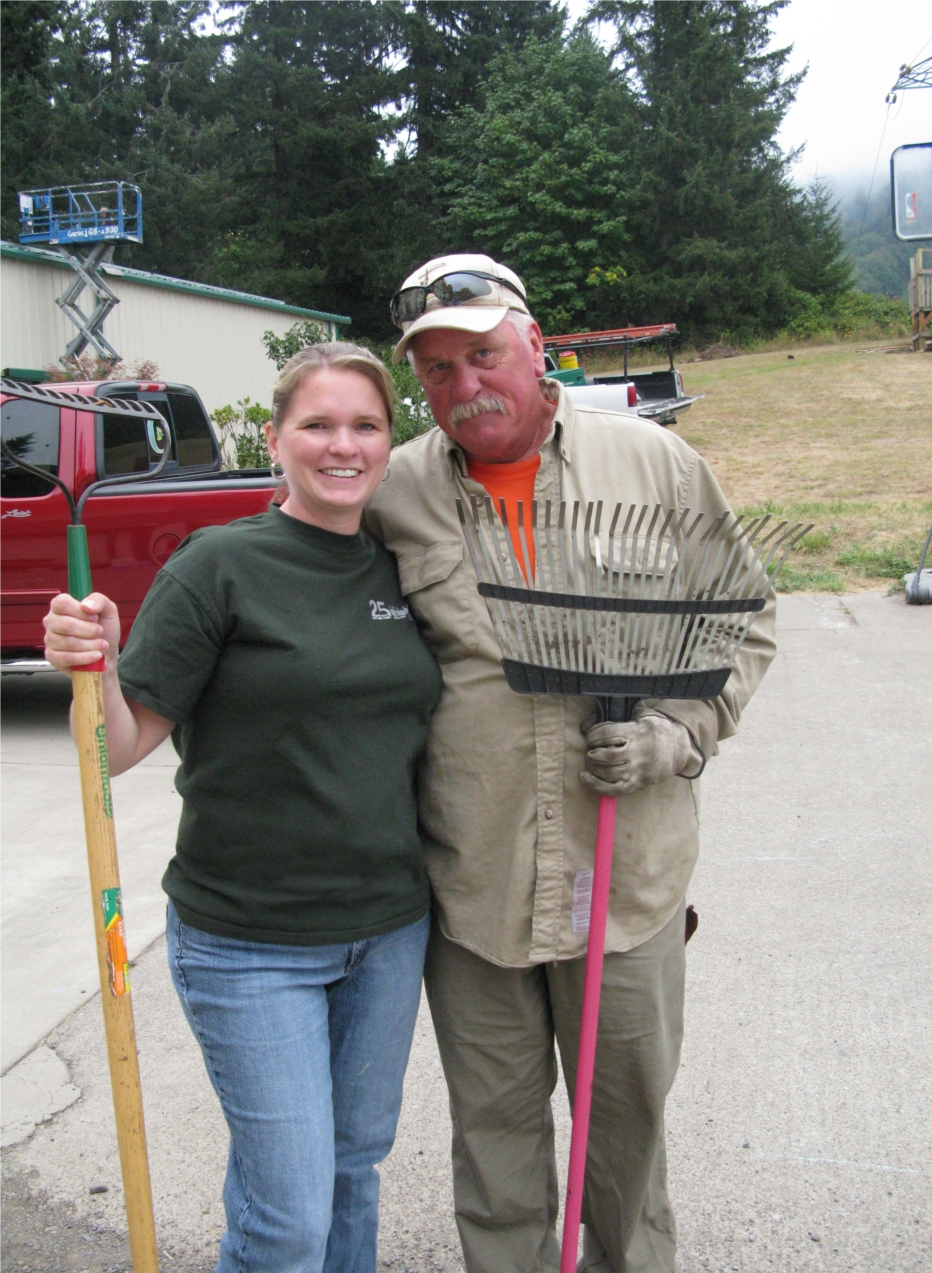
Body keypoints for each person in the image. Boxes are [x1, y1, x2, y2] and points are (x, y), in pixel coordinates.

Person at [363, 254, 777, 1273]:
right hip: (475, 882)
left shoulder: (653, 466)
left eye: (484, 356)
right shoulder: (398, 490)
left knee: (623, 1139)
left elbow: (745, 618)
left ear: (534, 345)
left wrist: (676, 735)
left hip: (623, 884)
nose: (465, 387)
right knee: (493, 1143)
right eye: (438, 371)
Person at [43, 343, 443, 1273]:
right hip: (249, 941)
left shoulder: (405, 564)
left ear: (390, 442)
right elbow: (124, 743)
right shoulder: (219, 565)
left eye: (365, 426)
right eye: (317, 424)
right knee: (288, 1217)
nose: (341, 446)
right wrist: (92, 668)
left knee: (352, 1172)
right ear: (274, 440)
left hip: (388, 930)